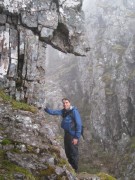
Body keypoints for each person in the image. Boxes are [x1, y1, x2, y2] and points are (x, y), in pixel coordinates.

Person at [44, 98, 82, 172]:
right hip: (67, 134)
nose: (65, 104)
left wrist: (76, 137)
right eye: (64, 103)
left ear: (70, 103)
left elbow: (79, 124)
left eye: (66, 102)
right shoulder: (64, 111)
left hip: (72, 135)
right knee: (68, 152)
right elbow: (54, 112)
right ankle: (71, 170)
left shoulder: (74, 111)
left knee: (73, 153)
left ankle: (75, 171)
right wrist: (45, 109)